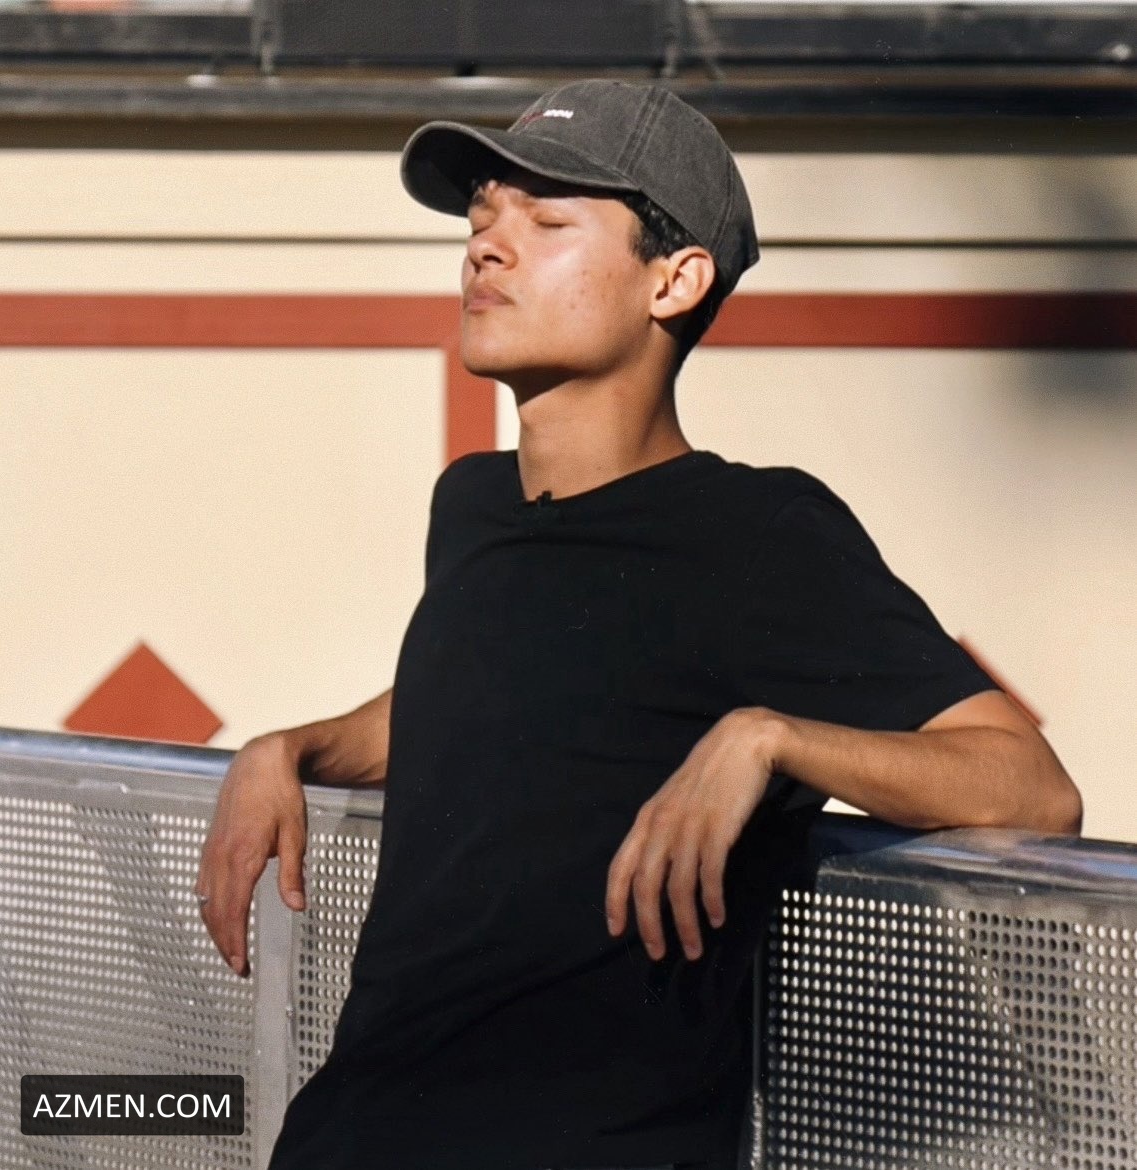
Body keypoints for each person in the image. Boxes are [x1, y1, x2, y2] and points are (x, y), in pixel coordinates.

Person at [195, 79, 1082, 1170]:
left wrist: (770, 739)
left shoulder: (760, 532)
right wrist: (293, 748)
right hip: (350, 1133)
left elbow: (1030, 785)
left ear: (675, 279)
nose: (486, 248)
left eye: (546, 222)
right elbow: (495, 689)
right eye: (481, 219)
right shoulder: (472, 504)